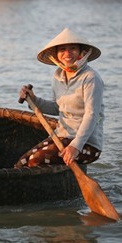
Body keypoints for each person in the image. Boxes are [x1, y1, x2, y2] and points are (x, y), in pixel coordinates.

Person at [15, 28, 104, 168]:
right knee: (22, 163)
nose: (67, 53)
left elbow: (91, 115)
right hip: (61, 137)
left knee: (34, 161)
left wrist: (76, 146)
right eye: (62, 49)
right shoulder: (58, 76)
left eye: (73, 48)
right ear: (56, 54)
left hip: (87, 144)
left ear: (81, 52)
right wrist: (33, 99)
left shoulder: (90, 78)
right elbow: (57, 108)